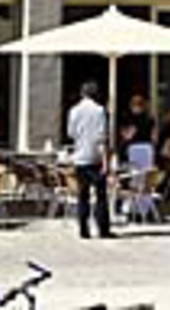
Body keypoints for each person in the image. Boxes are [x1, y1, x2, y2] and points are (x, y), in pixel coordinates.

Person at [66, 81, 111, 240]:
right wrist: (106, 161)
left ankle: (84, 229)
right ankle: (103, 228)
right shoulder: (99, 111)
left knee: (82, 195)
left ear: (82, 94)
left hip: (80, 157)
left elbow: (71, 133)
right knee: (101, 195)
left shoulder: (74, 111)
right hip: (95, 158)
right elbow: (101, 137)